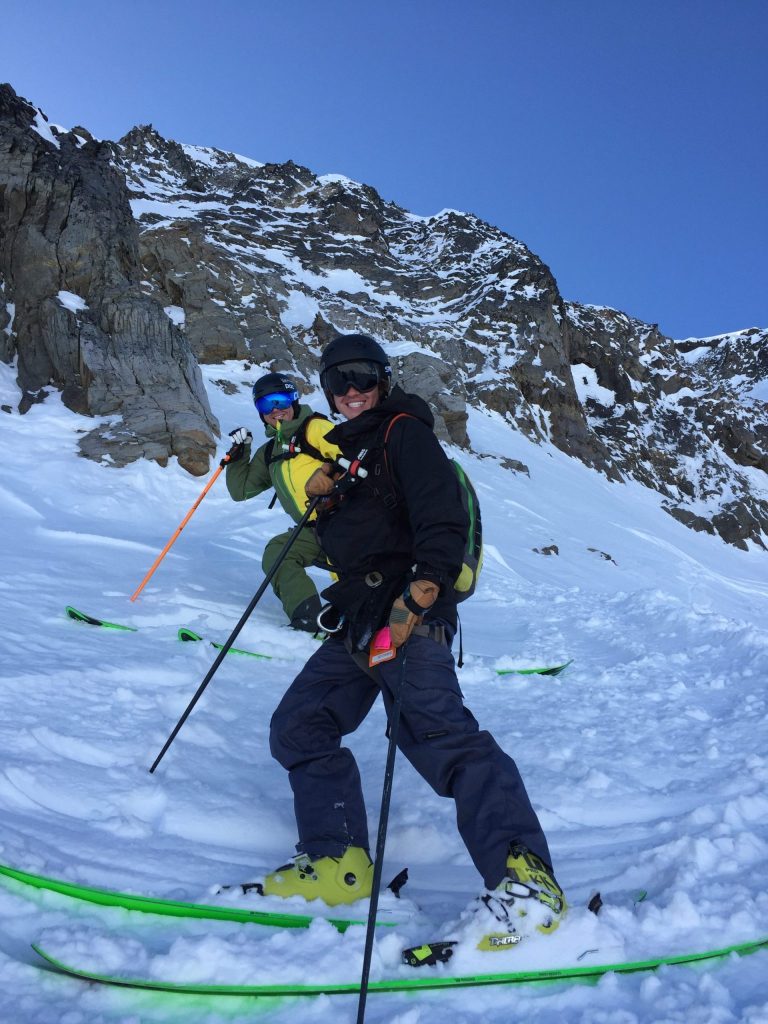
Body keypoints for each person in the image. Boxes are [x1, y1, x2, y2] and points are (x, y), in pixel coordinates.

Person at [258, 335, 566, 950]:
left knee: (438, 736)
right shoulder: (349, 452)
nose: (350, 391)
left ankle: (527, 884)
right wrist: (323, 501)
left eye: (362, 376)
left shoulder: (405, 433)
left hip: (405, 615)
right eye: (337, 382)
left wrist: (418, 596)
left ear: (383, 377)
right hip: (359, 618)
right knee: (299, 724)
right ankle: (339, 865)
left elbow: (442, 521)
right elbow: (366, 535)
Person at [226, 372, 339, 632]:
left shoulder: (315, 428)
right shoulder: (270, 452)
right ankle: (309, 618)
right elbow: (240, 490)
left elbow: (351, 455)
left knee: (350, 573)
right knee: (278, 553)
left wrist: (331, 475)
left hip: (346, 520)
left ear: (294, 401)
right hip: (312, 529)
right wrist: (239, 455)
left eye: (280, 400)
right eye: (267, 405)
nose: (275, 410)